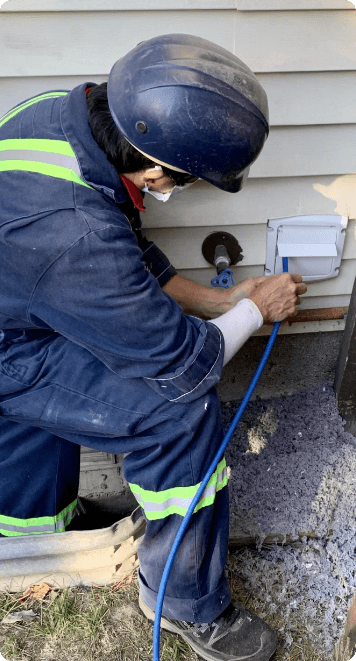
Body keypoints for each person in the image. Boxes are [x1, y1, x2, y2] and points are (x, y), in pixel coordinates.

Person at [0, 34, 306, 661]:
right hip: (14, 350)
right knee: (181, 413)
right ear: (156, 170)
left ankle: (29, 538)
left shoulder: (64, 116)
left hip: (22, 309)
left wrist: (220, 301)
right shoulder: (76, 240)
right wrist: (256, 309)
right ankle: (185, 603)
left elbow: (124, 246)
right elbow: (186, 365)